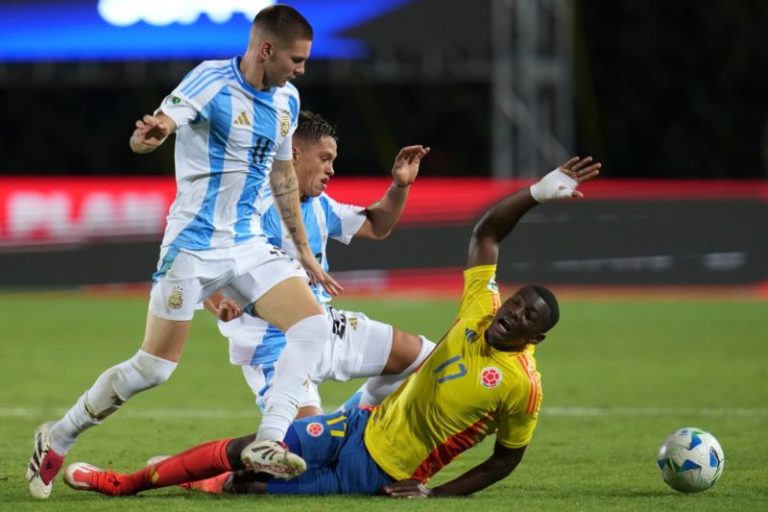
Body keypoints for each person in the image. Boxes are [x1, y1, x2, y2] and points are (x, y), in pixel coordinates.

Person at [61, 156, 601, 498]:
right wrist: (534, 192)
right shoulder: (481, 307)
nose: (513, 312)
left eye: (528, 316)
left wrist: (438, 495)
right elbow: (486, 233)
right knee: (265, 448)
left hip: (370, 468)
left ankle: (195, 475)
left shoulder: (521, 386)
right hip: (278, 348)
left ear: (536, 337)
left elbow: (507, 459)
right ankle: (125, 482)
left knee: (256, 482)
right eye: (517, 303)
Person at [27, 5, 337, 499]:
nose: (301, 69)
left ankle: (269, 440)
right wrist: (152, 134)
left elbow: (282, 176)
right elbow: (168, 118)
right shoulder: (211, 80)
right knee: (154, 368)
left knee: (312, 324)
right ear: (266, 50)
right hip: (193, 246)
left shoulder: (288, 101)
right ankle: (57, 437)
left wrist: (303, 252)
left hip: (248, 244)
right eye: (296, 59)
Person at [208, 110, 434, 420]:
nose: (331, 169)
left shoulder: (320, 205)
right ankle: (195, 468)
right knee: (306, 450)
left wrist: (401, 185)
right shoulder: (252, 206)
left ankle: (348, 420)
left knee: (432, 362)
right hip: (276, 344)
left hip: (327, 327)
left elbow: (377, 225)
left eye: (333, 161)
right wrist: (219, 303)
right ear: (294, 155)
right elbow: (206, 264)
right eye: (325, 158)